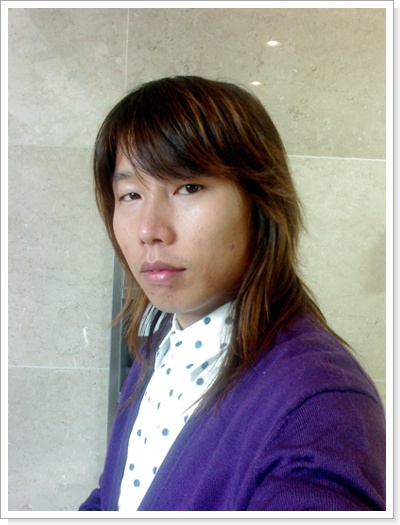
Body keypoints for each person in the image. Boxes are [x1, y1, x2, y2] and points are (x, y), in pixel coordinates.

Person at [79, 76, 386, 511]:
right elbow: (117, 496)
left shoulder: (321, 406)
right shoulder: (159, 345)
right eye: (130, 194)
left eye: (188, 187)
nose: (148, 229)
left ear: (261, 202)